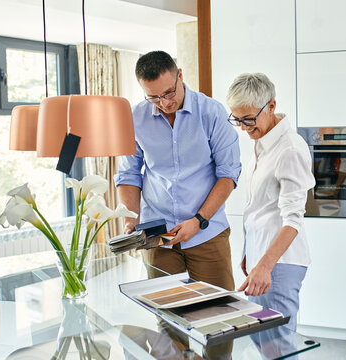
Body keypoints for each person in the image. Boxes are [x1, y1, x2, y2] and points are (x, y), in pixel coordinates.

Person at [114, 51, 241, 291]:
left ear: (180, 75)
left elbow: (228, 175)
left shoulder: (212, 113)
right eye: (153, 97)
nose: (165, 103)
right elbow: (129, 175)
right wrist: (131, 219)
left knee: (219, 313)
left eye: (169, 92)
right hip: (157, 236)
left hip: (206, 232)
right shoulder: (134, 118)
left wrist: (199, 220)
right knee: (168, 316)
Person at [226, 73, 315, 331]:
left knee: (278, 346)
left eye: (249, 119)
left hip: (280, 264)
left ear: (271, 106)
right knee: (263, 341)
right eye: (237, 120)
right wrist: (249, 252)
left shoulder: (289, 149)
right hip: (263, 259)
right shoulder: (262, 142)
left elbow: (293, 220)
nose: (243, 127)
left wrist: (263, 264)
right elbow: (260, 208)